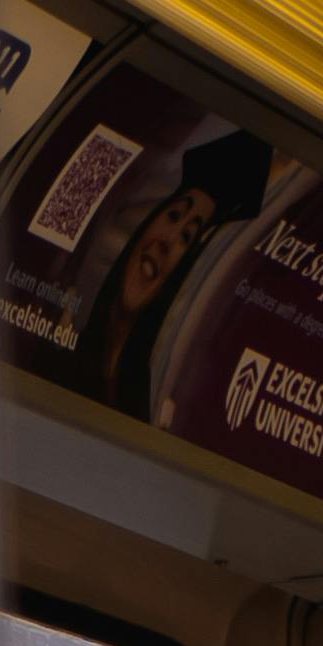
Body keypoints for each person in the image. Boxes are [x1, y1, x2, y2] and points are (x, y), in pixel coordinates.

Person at [69, 127, 272, 424]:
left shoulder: (151, 403)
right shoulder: (61, 349)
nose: (168, 241)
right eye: (174, 216)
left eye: (187, 237)